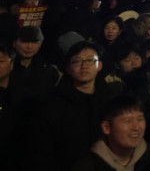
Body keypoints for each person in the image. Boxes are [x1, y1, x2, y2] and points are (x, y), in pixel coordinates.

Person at [27, 40, 121, 169]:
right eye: (77, 61)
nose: (84, 66)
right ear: (68, 69)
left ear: (99, 65)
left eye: (90, 60)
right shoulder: (52, 102)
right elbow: (42, 149)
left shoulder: (111, 99)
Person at [72, 94, 150, 171]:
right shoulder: (87, 166)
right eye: (128, 121)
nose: (136, 127)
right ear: (106, 128)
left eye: (140, 119)